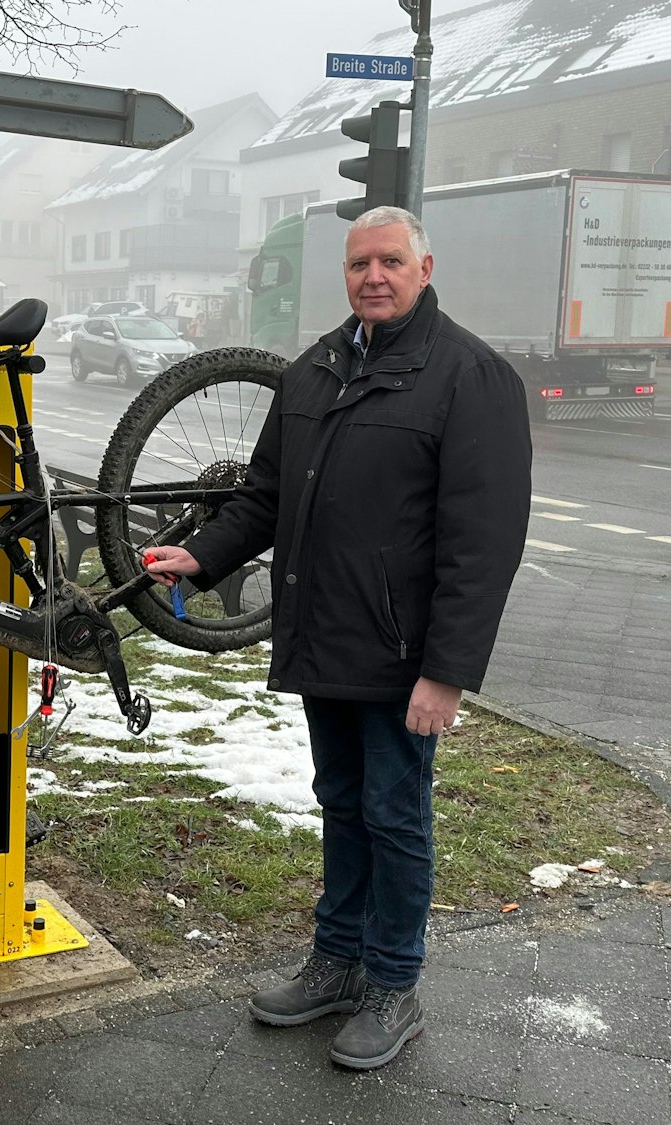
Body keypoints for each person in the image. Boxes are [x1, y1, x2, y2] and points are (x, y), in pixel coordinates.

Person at [145, 205, 531, 1071]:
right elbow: (264, 495)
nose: (374, 276)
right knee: (342, 801)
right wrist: (199, 555)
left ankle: (394, 982)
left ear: (425, 266)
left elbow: (485, 543)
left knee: (397, 813)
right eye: (361, 263)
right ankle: (338, 960)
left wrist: (448, 672)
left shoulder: (472, 377)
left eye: (392, 260)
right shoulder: (316, 369)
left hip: (404, 656)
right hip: (325, 634)